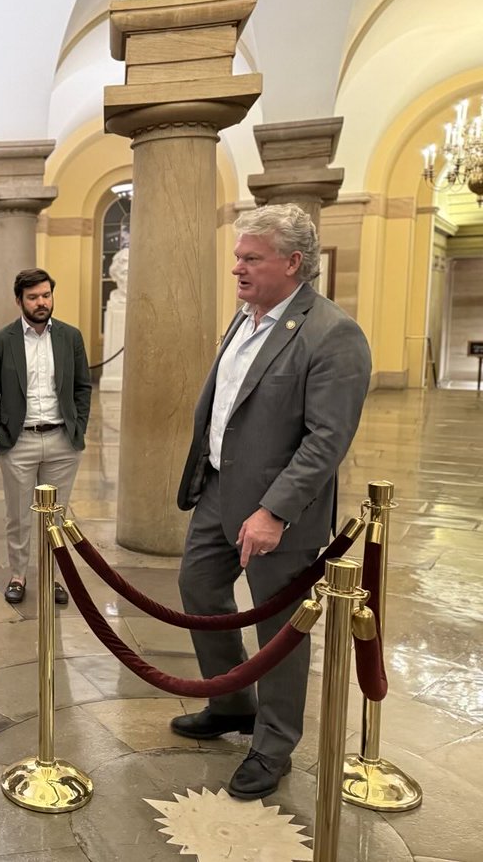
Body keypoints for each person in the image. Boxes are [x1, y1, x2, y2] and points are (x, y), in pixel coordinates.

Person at [170, 203, 371, 800]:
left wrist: (275, 510)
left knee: (282, 627)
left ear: (293, 262)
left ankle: (274, 743)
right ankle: (232, 703)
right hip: (217, 491)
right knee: (199, 589)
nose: (237, 267)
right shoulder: (245, 318)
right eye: (237, 256)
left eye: (250, 258)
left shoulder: (333, 333)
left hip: (279, 514)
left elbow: (326, 439)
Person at [0, 268, 92, 605]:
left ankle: (54, 578)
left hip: (61, 440)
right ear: (19, 301)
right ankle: (18, 575)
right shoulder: (2, 341)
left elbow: (83, 387)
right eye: (33, 297)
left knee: (56, 516)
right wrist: (0, 435)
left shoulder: (70, 337)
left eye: (46, 295)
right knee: (19, 514)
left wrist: (79, 426)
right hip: (19, 442)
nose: (41, 302)